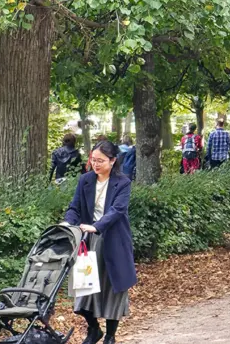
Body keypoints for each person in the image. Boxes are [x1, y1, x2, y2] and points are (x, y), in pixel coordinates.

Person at [63, 140, 137, 344]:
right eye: (93, 160)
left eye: (101, 161)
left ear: (113, 161)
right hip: (88, 241)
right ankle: (94, 329)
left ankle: (110, 336)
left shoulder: (123, 182)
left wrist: (97, 226)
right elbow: (74, 207)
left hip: (114, 240)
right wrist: (67, 222)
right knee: (84, 289)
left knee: (113, 288)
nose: (95, 164)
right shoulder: (85, 180)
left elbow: (118, 210)